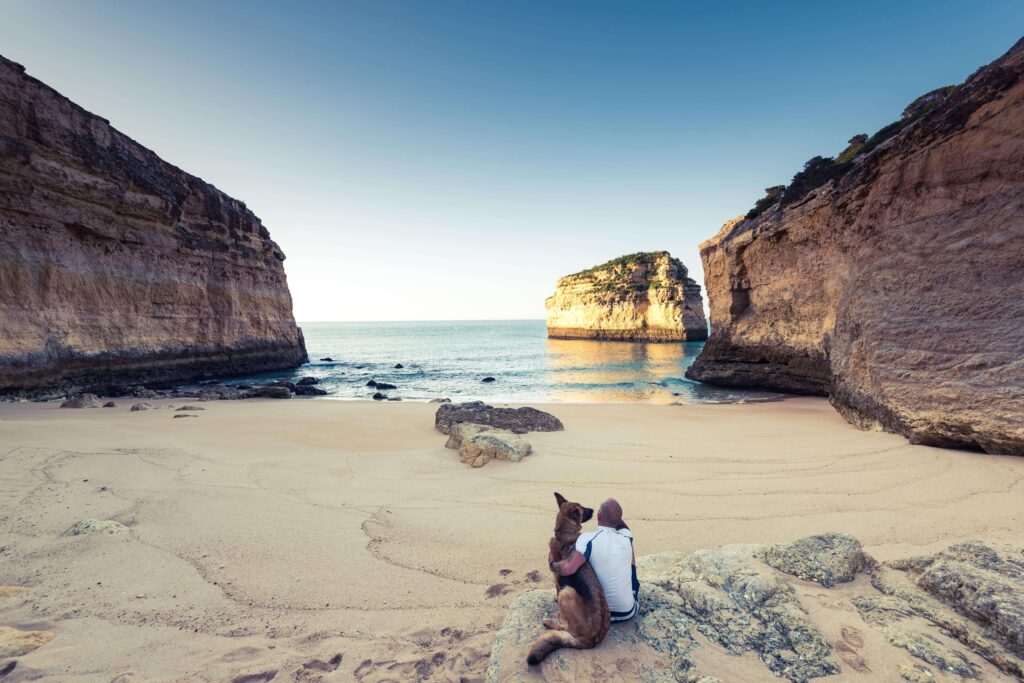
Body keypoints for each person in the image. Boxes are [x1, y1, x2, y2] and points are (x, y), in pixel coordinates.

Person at [548, 497, 639, 622]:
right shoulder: (626, 535)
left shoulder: (587, 538)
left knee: (586, 559)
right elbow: (622, 526)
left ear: (599, 514)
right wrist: (614, 515)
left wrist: (552, 562)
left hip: (599, 613)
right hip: (627, 612)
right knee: (628, 549)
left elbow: (568, 568)